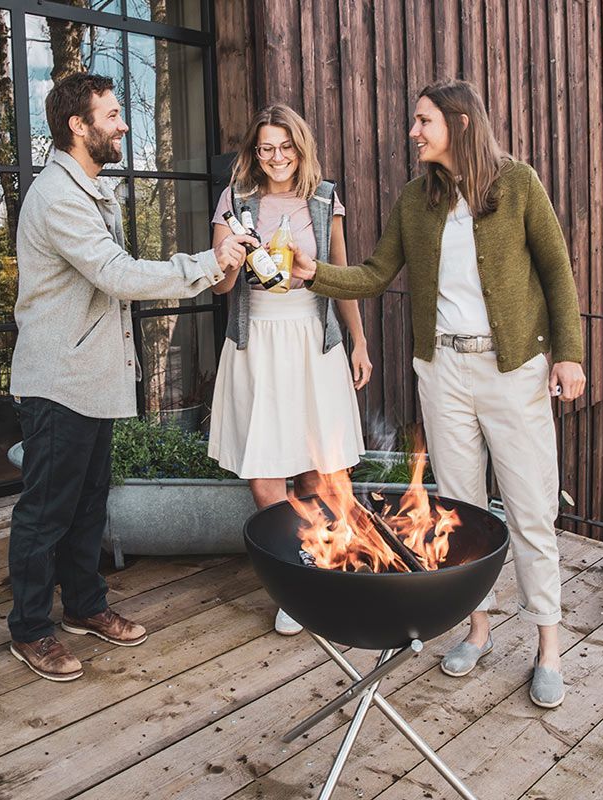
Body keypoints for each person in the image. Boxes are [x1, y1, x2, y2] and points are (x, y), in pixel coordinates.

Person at [291, 79, 586, 708]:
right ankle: (477, 631)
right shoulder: (415, 201)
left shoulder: (517, 185)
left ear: (459, 122)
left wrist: (570, 355)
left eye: (423, 121)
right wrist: (316, 273)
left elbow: (558, 274)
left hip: (514, 372)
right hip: (443, 373)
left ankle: (549, 647)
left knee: (532, 509)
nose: (413, 131)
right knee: (459, 509)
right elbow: (374, 274)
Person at [7, 73, 253, 682]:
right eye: (113, 114)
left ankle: (85, 606)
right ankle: (31, 629)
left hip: (90, 378)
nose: (122, 124)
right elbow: (116, 275)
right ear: (78, 125)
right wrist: (207, 262)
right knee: (46, 510)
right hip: (59, 380)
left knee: (89, 501)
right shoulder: (58, 197)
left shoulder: (89, 189)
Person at [207, 104, 371, 636]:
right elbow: (220, 288)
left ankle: (324, 569)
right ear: (254, 153)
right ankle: (295, 585)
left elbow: (341, 277)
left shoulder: (324, 200)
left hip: (312, 339)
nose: (276, 158)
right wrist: (231, 258)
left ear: (300, 147)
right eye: (265, 148)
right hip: (257, 343)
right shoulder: (235, 201)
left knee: (321, 469)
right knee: (264, 474)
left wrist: (360, 343)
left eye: (285, 146)